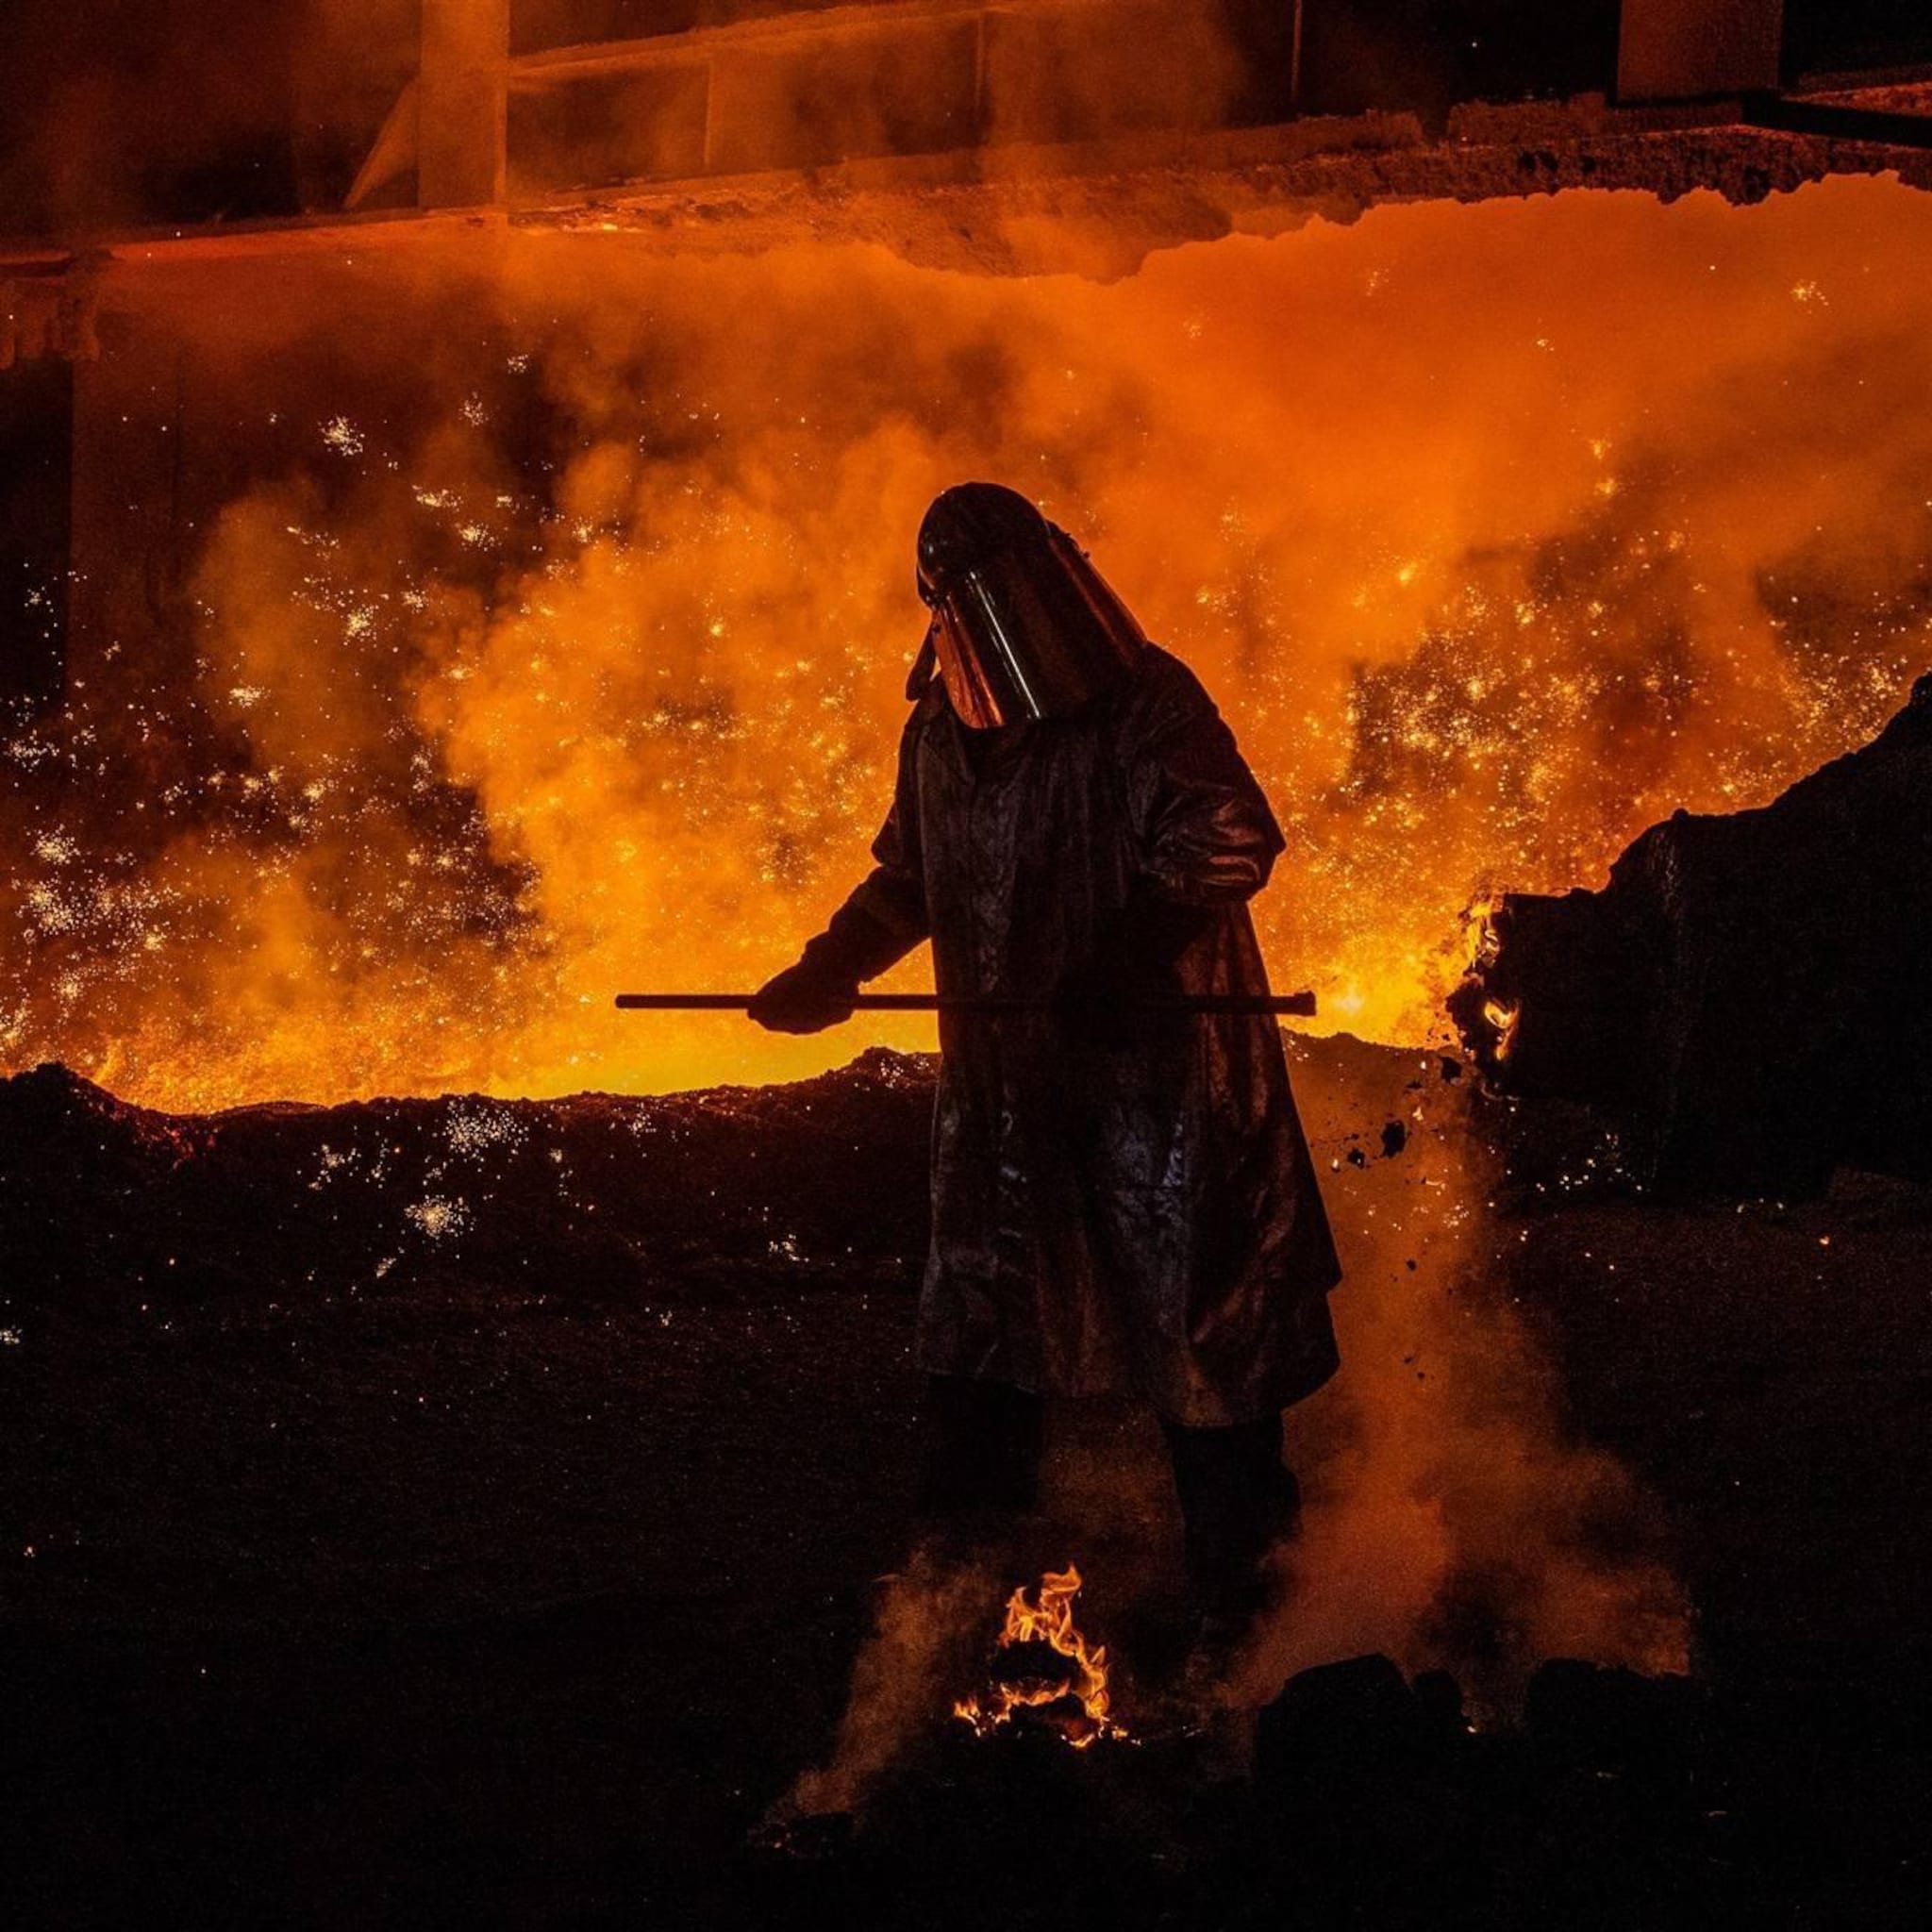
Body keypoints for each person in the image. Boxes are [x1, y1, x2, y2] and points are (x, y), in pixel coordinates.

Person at [750, 481, 1341, 1669]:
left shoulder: (1142, 704)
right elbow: (909, 876)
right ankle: (955, 1605)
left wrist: (1125, 958)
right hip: (1008, 1094)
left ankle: (1258, 1611)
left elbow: (1229, 833)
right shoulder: (938, 734)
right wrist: (829, 966)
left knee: (1201, 1328)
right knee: (983, 1322)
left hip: (1157, 1091)